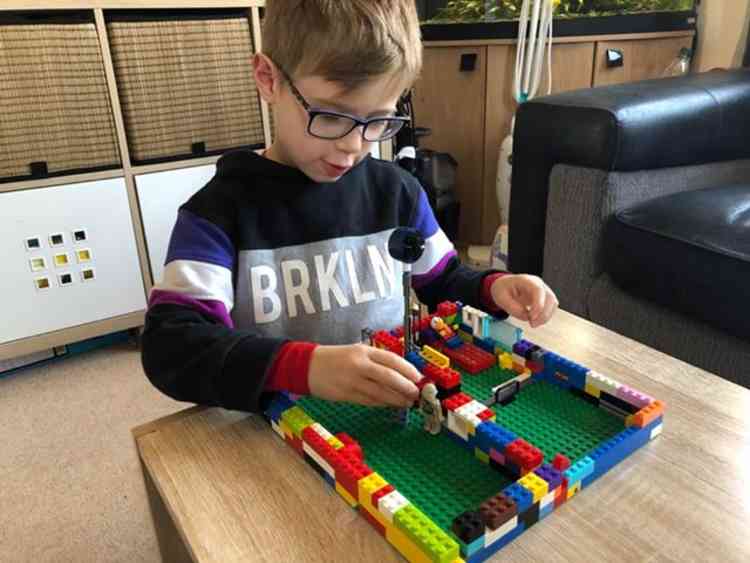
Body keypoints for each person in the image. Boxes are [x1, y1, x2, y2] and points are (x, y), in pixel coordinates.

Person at [141, 0, 558, 414]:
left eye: (378, 121)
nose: (353, 144)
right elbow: (172, 346)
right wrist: (305, 367)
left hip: (386, 415)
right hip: (280, 426)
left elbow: (443, 279)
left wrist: (493, 288)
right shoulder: (218, 212)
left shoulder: (397, 193)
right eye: (331, 116)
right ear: (269, 79)